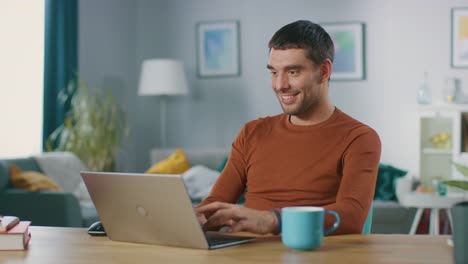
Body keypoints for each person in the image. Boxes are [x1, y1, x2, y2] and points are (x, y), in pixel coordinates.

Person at [195, 20, 381, 235]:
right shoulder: (252, 132)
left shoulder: (359, 138)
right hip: (246, 252)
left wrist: (272, 220)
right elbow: (216, 203)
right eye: (274, 72)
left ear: (324, 71)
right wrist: (195, 216)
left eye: (293, 72)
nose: (280, 85)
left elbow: (351, 216)